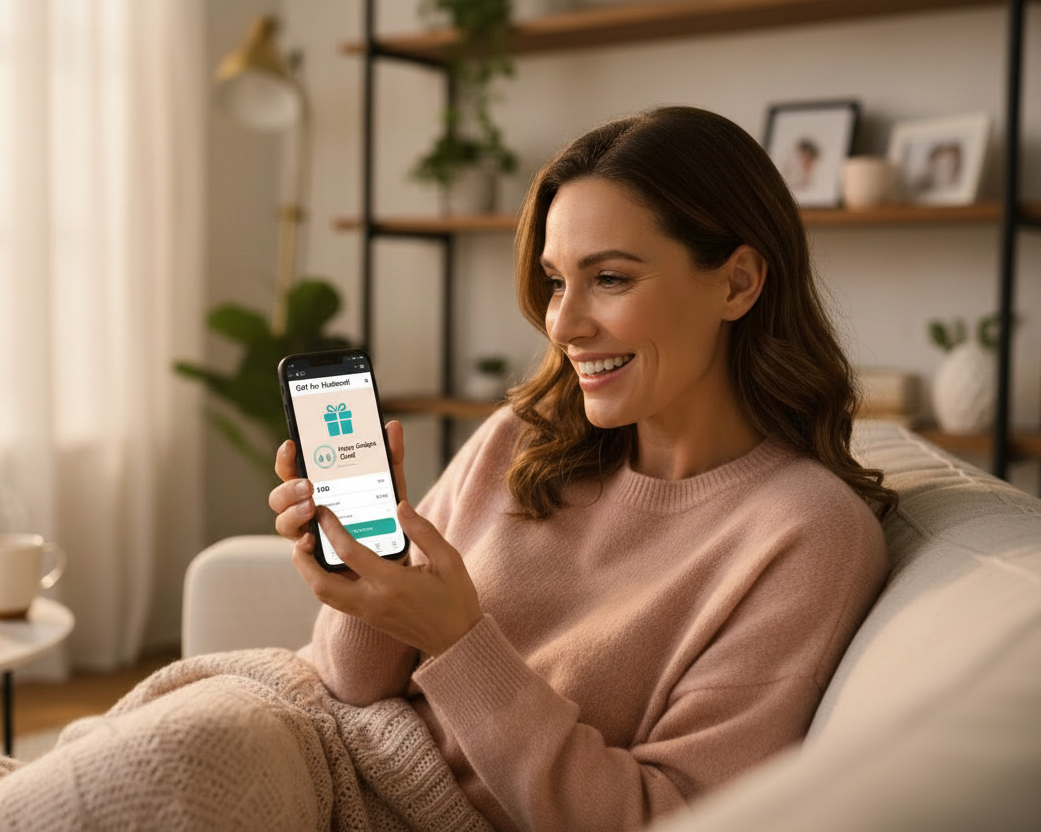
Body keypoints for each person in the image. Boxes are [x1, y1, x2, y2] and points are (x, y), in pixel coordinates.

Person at [269, 105, 896, 832]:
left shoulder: (807, 537)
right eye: (557, 281)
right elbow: (349, 682)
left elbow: (662, 817)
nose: (562, 324)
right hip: (304, 735)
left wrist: (459, 643)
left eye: (610, 279)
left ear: (738, 284)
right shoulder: (523, 438)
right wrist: (365, 584)